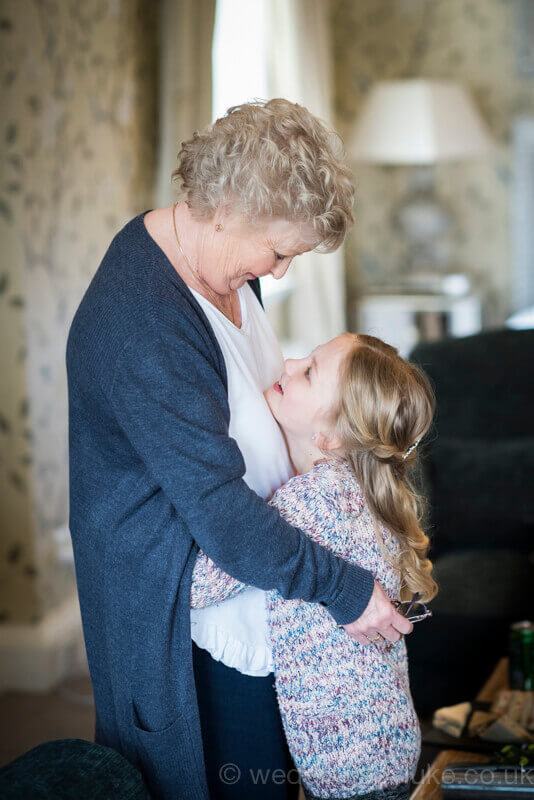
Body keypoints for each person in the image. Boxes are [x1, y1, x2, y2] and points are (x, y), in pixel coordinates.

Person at [66, 98, 413, 800]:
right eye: (280, 251)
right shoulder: (145, 321)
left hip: (263, 608)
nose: (279, 272)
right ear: (225, 207)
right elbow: (222, 518)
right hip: (188, 636)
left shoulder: (228, 269)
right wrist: (346, 590)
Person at [191, 333, 438, 800]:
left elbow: (199, 585)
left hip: (349, 769)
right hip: (388, 746)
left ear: (330, 437)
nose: (288, 362)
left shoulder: (312, 502)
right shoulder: (364, 496)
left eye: (309, 372)